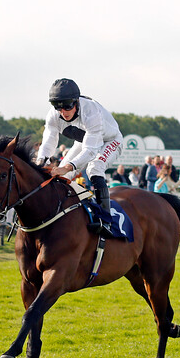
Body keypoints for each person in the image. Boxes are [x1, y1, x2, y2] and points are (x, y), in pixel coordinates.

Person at [36, 78, 123, 238]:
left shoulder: (91, 112)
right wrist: (41, 162)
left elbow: (91, 151)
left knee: (94, 168)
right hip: (83, 141)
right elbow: (48, 143)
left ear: (76, 101)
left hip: (110, 141)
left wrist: (67, 166)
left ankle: (105, 220)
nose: (63, 111)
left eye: (67, 105)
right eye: (58, 106)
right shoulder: (53, 116)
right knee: (61, 176)